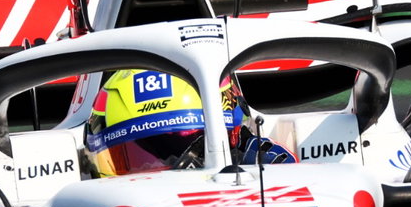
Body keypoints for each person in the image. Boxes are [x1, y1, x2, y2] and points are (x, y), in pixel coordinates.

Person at [84, 69, 294, 177]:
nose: (154, 170)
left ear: (231, 137)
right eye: (132, 159)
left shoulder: (271, 170)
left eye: (176, 150)